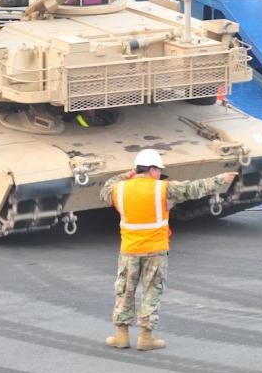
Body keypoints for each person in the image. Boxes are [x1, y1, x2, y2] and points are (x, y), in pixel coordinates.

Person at [99, 148, 235, 351]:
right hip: (155, 250)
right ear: (153, 169)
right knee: (151, 292)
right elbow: (194, 188)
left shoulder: (119, 189)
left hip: (129, 250)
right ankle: (146, 338)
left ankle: (121, 335)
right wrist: (221, 179)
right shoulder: (163, 189)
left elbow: (104, 192)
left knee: (125, 291)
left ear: (136, 169)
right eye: (158, 170)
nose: (159, 174)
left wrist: (125, 175)